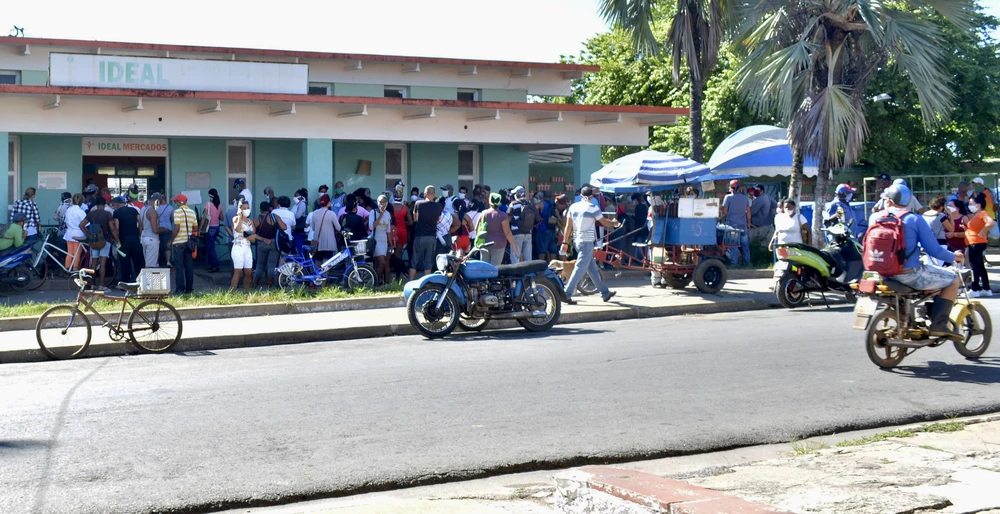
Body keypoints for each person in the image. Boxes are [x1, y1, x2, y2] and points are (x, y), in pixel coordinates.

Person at [869, 184, 965, 340]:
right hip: (908, 274)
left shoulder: (875, 217)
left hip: (881, 273)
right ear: (909, 201)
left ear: (889, 200)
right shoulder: (914, 219)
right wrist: (955, 257)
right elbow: (934, 250)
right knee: (953, 280)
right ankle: (939, 325)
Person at [562, 186, 620, 303]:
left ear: (581, 196)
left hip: (577, 241)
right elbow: (604, 222)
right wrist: (614, 223)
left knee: (593, 270)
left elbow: (568, 226)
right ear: (592, 196)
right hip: (587, 242)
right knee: (579, 269)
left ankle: (605, 293)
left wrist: (564, 242)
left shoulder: (573, 207)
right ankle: (567, 294)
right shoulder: (593, 207)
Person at [81, 195, 118, 290]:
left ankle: (92, 284)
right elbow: (112, 228)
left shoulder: (91, 214)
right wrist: (117, 239)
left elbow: (81, 225)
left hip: (93, 241)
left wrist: (89, 235)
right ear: (105, 204)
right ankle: (101, 285)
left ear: (96, 204)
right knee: (102, 264)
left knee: (93, 263)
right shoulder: (107, 214)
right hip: (105, 240)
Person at [410, 186, 443, 280]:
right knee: (428, 262)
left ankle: (410, 282)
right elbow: (438, 220)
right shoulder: (438, 206)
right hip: (432, 236)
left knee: (414, 260)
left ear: (425, 194)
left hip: (419, 235)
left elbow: (415, 218)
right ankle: (426, 285)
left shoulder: (418, 203)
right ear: (435, 194)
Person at [964, 195, 995, 297]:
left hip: (976, 243)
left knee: (974, 266)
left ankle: (975, 288)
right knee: (980, 266)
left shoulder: (982, 213)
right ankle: (986, 288)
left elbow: (990, 223)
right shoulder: (977, 215)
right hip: (975, 242)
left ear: (978, 205)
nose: (969, 205)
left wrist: (982, 232)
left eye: (971, 203)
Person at [168, 194, 198, 295]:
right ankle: (189, 289)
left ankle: (180, 289)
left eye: (176, 201)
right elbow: (195, 228)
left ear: (179, 202)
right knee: (189, 266)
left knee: (179, 267)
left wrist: (170, 240)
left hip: (178, 243)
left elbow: (177, 228)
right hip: (189, 243)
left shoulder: (177, 212)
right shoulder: (192, 212)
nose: (175, 203)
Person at [252, 201, 286, 289]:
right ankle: (270, 286)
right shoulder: (274, 217)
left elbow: (253, 233)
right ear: (269, 208)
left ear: (260, 209)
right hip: (273, 243)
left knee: (259, 265)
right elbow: (284, 227)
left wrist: (262, 239)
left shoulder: (257, 219)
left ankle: (254, 285)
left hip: (261, 243)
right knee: (271, 265)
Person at [478, 193, 517, 266]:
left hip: (484, 243)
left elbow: (476, 228)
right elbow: (507, 232)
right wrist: (513, 245)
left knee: (484, 267)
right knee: (495, 267)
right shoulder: (503, 216)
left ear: (489, 201)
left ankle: (485, 278)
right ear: (499, 203)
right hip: (499, 244)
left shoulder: (483, 214)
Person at [112, 196, 143, 283]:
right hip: (135, 239)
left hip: (124, 239)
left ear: (116, 205)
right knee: (137, 261)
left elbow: (117, 228)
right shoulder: (134, 210)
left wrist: (117, 240)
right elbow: (140, 224)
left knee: (124, 263)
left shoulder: (116, 213)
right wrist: (139, 235)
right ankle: (139, 282)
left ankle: (125, 282)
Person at [720, 179, 752, 266]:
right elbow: (748, 212)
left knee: (733, 245)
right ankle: (747, 263)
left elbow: (725, 211)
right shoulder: (745, 198)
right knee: (745, 245)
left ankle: (734, 264)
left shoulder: (728, 197)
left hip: (732, 225)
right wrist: (748, 223)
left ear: (731, 188)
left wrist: (728, 213)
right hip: (743, 224)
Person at [231, 198, 258, 291]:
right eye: (244, 208)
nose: (246, 210)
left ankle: (245, 293)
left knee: (248, 272)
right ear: (240, 208)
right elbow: (238, 229)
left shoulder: (250, 221)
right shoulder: (235, 218)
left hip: (247, 248)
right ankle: (232, 294)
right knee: (238, 271)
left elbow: (253, 233)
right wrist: (239, 215)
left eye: (248, 208)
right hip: (238, 247)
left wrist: (252, 237)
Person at [507, 186, 537, 264]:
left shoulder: (513, 204)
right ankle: (529, 273)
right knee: (528, 256)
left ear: (517, 194)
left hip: (516, 233)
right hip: (528, 232)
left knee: (515, 255)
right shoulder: (530, 203)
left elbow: (508, 218)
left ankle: (516, 273)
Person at [199, 189, 227, 273]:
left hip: (210, 228)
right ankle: (212, 265)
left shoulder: (208, 205)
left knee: (211, 248)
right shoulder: (219, 205)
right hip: (217, 228)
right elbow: (222, 218)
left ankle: (215, 266)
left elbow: (204, 218)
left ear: (209, 195)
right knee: (211, 247)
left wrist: (200, 229)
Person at [310, 194, 341, 263]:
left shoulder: (314, 213)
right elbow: (338, 228)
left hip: (317, 242)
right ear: (329, 203)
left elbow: (313, 228)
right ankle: (324, 274)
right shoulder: (332, 214)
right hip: (328, 243)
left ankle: (317, 274)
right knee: (327, 264)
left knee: (318, 261)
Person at [372, 194, 395, 285]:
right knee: (381, 262)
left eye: (384, 202)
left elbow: (388, 231)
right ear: (377, 203)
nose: (382, 204)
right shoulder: (373, 213)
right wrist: (381, 215)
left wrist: (391, 244)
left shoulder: (388, 214)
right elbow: (372, 226)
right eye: (380, 202)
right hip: (375, 241)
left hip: (384, 241)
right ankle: (375, 282)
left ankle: (382, 282)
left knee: (383, 264)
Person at [62, 194, 87, 271]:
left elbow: (65, 221)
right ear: (82, 202)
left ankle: (67, 268)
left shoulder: (68, 210)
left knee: (70, 253)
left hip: (69, 233)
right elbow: (86, 223)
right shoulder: (81, 211)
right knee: (77, 254)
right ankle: (75, 269)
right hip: (78, 234)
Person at [154, 193, 175, 267]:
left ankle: (157, 263)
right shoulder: (170, 207)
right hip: (168, 228)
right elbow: (173, 218)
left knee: (157, 246)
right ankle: (168, 262)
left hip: (158, 229)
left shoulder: (156, 208)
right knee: (167, 246)